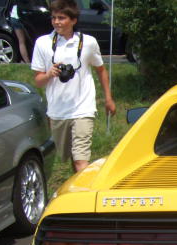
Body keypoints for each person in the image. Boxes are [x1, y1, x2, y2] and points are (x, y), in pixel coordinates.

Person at [31, 0, 116, 173]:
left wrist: (108, 98)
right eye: (53, 18)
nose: (56, 22)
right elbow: (38, 81)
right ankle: (75, 186)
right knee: (68, 157)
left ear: (73, 20)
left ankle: (82, 196)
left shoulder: (88, 43)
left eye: (61, 18)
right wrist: (49, 74)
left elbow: (100, 70)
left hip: (83, 109)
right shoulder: (43, 43)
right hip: (57, 111)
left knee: (80, 161)